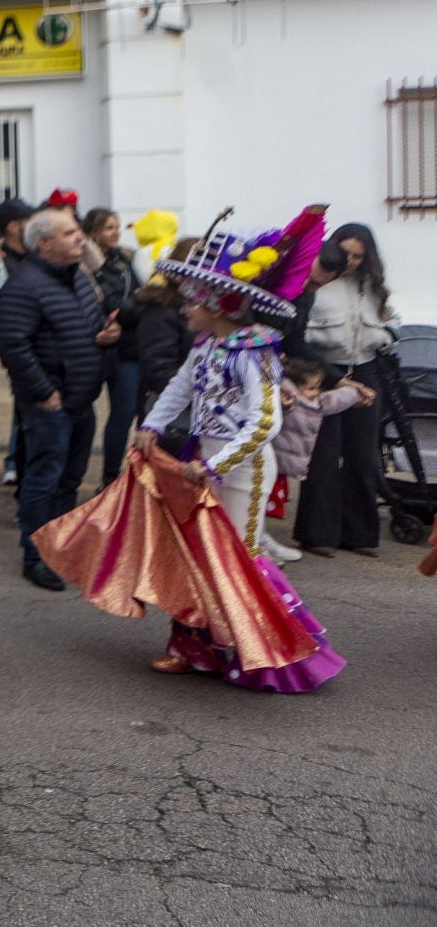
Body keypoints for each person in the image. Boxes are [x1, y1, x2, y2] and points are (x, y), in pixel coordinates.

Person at [38, 208, 345, 693]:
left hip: (240, 469)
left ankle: (263, 650)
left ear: (221, 305)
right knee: (198, 558)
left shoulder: (253, 354)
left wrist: (216, 464)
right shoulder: (206, 347)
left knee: (236, 559)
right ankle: (195, 649)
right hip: (202, 464)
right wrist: (153, 427)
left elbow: (266, 420)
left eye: (195, 301)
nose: (185, 307)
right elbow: (180, 388)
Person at [0, 208, 122, 591]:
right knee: (43, 480)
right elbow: (11, 344)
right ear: (44, 243)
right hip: (51, 403)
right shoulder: (24, 284)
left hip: (82, 397)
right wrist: (43, 392)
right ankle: (36, 557)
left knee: (70, 478)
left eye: (79, 231)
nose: (80, 238)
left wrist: (106, 333)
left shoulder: (78, 277)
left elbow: (86, 323)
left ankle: (60, 546)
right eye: (69, 233)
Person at [296, 223, 397, 556]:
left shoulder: (373, 286)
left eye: (358, 255)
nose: (352, 261)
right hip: (324, 370)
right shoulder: (317, 281)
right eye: (347, 254)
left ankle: (359, 535)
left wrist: (385, 337)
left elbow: (393, 319)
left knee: (362, 453)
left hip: (366, 368)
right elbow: (298, 329)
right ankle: (317, 534)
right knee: (324, 452)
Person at [271, 353, 372, 562]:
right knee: (262, 496)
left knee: (267, 497)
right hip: (278, 457)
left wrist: (354, 393)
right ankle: (253, 537)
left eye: (317, 387)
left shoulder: (313, 401)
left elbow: (333, 400)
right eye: (311, 388)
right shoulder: (287, 398)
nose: (315, 392)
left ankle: (256, 536)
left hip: (288, 459)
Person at [85, 207, 143, 487]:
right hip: (103, 346)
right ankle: (109, 475)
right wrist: (125, 309)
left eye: (117, 226)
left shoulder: (124, 259)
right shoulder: (89, 264)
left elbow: (138, 297)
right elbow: (108, 301)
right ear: (95, 231)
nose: (116, 232)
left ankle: (113, 474)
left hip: (129, 345)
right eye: (109, 227)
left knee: (126, 410)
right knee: (111, 414)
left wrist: (128, 309)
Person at [0, 198, 36, 488]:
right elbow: (1, 305)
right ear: (13, 227)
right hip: (20, 349)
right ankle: (19, 477)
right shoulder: (0, 263)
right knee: (25, 414)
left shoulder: (34, 256)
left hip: (39, 346)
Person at [134, 237, 199, 429]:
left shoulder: (209, 310)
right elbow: (159, 369)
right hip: (172, 417)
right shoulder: (162, 310)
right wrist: (202, 397)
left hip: (199, 411)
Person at [280, 244, 346, 359]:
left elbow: (295, 344)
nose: (304, 284)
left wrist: (335, 377)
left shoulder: (307, 297)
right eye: (304, 275)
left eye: (315, 284)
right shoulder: (267, 276)